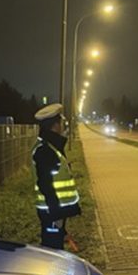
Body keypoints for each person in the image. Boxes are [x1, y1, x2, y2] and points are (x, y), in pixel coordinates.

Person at [32, 103, 81, 249]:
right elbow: (46, 186)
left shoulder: (51, 147)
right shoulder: (45, 151)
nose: (63, 126)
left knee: (55, 249)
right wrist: (56, 216)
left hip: (55, 212)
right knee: (52, 253)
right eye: (61, 123)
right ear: (54, 126)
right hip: (52, 213)